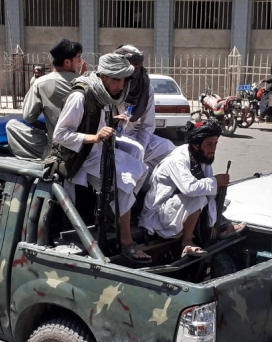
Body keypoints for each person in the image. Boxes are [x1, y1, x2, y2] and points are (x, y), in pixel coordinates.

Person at [52, 53, 150, 263]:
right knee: (123, 187)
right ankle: (126, 242)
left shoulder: (105, 95)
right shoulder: (81, 97)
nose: (120, 84)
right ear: (102, 76)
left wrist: (112, 120)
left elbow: (95, 121)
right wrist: (95, 137)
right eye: (116, 79)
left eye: (123, 79)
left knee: (141, 171)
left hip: (99, 152)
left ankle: (113, 213)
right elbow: (60, 135)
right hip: (81, 158)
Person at [140, 121, 243, 256]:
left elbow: (209, 188)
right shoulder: (177, 159)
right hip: (159, 214)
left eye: (215, 143)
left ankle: (218, 228)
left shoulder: (202, 157)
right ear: (195, 145)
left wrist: (218, 186)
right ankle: (187, 242)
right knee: (198, 196)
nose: (213, 149)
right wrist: (215, 181)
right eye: (209, 144)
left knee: (214, 196)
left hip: (177, 207)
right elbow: (190, 188)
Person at [6, 38, 84, 160]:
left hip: (56, 151)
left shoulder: (41, 83)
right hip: (85, 148)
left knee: (11, 125)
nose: (80, 62)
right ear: (67, 62)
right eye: (78, 58)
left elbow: (28, 116)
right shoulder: (87, 82)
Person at [113, 44, 175, 172]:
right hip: (113, 135)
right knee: (135, 151)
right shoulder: (111, 84)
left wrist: (142, 145)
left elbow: (148, 125)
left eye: (138, 65)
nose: (135, 68)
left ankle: (151, 184)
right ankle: (129, 190)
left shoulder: (146, 89)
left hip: (133, 136)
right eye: (131, 64)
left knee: (169, 147)